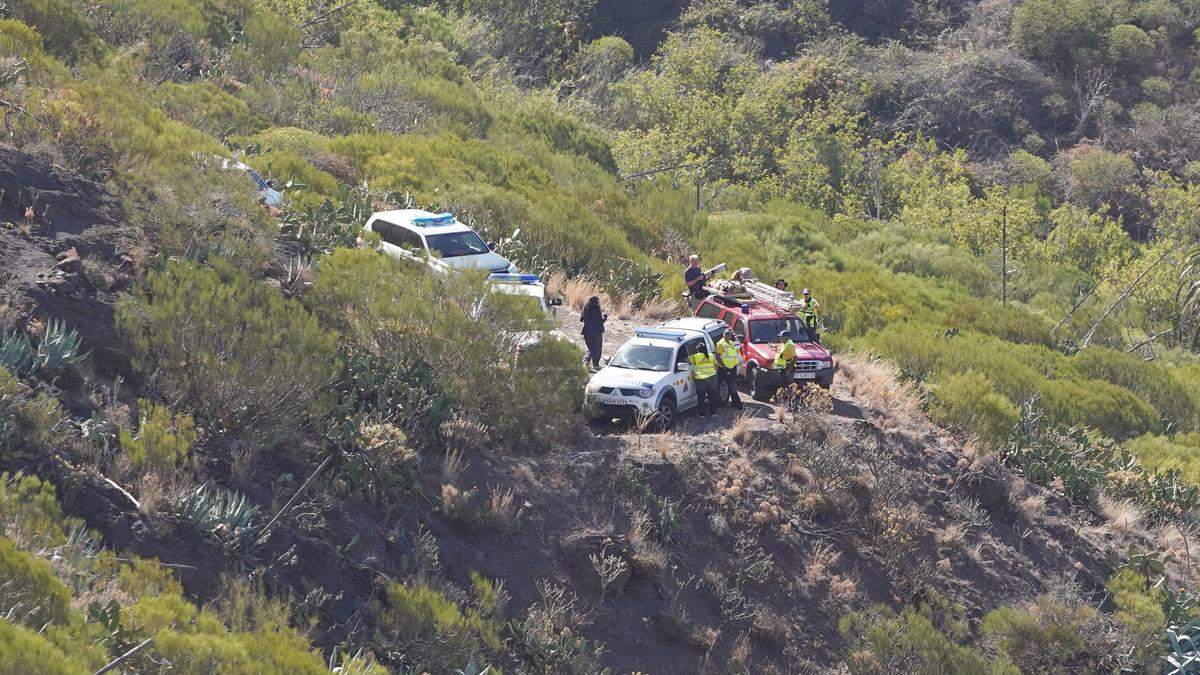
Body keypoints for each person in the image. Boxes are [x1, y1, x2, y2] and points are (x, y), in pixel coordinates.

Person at [687, 342, 719, 418]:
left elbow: (686, 362)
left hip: (700, 380)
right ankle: (713, 413)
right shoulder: (710, 356)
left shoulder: (695, 357)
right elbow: (717, 365)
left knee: (701, 398)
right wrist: (713, 371)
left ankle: (702, 414)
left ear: (697, 350)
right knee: (712, 397)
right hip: (712, 378)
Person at [715, 329, 743, 410]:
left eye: (729, 334)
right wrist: (723, 366)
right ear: (723, 334)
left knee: (732, 385)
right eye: (726, 334)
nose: (728, 335)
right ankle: (738, 403)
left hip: (732, 367)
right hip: (725, 368)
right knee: (732, 385)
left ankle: (734, 403)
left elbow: (733, 353)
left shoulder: (731, 343)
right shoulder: (721, 343)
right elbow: (718, 356)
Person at [580, 296, 607, 370]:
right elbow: (600, 322)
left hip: (587, 332)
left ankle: (586, 362)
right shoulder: (596, 310)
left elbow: (581, 319)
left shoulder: (585, 310)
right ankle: (595, 364)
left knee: (590, 348)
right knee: (597, 349)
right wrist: (605, 317)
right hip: (597, 332)